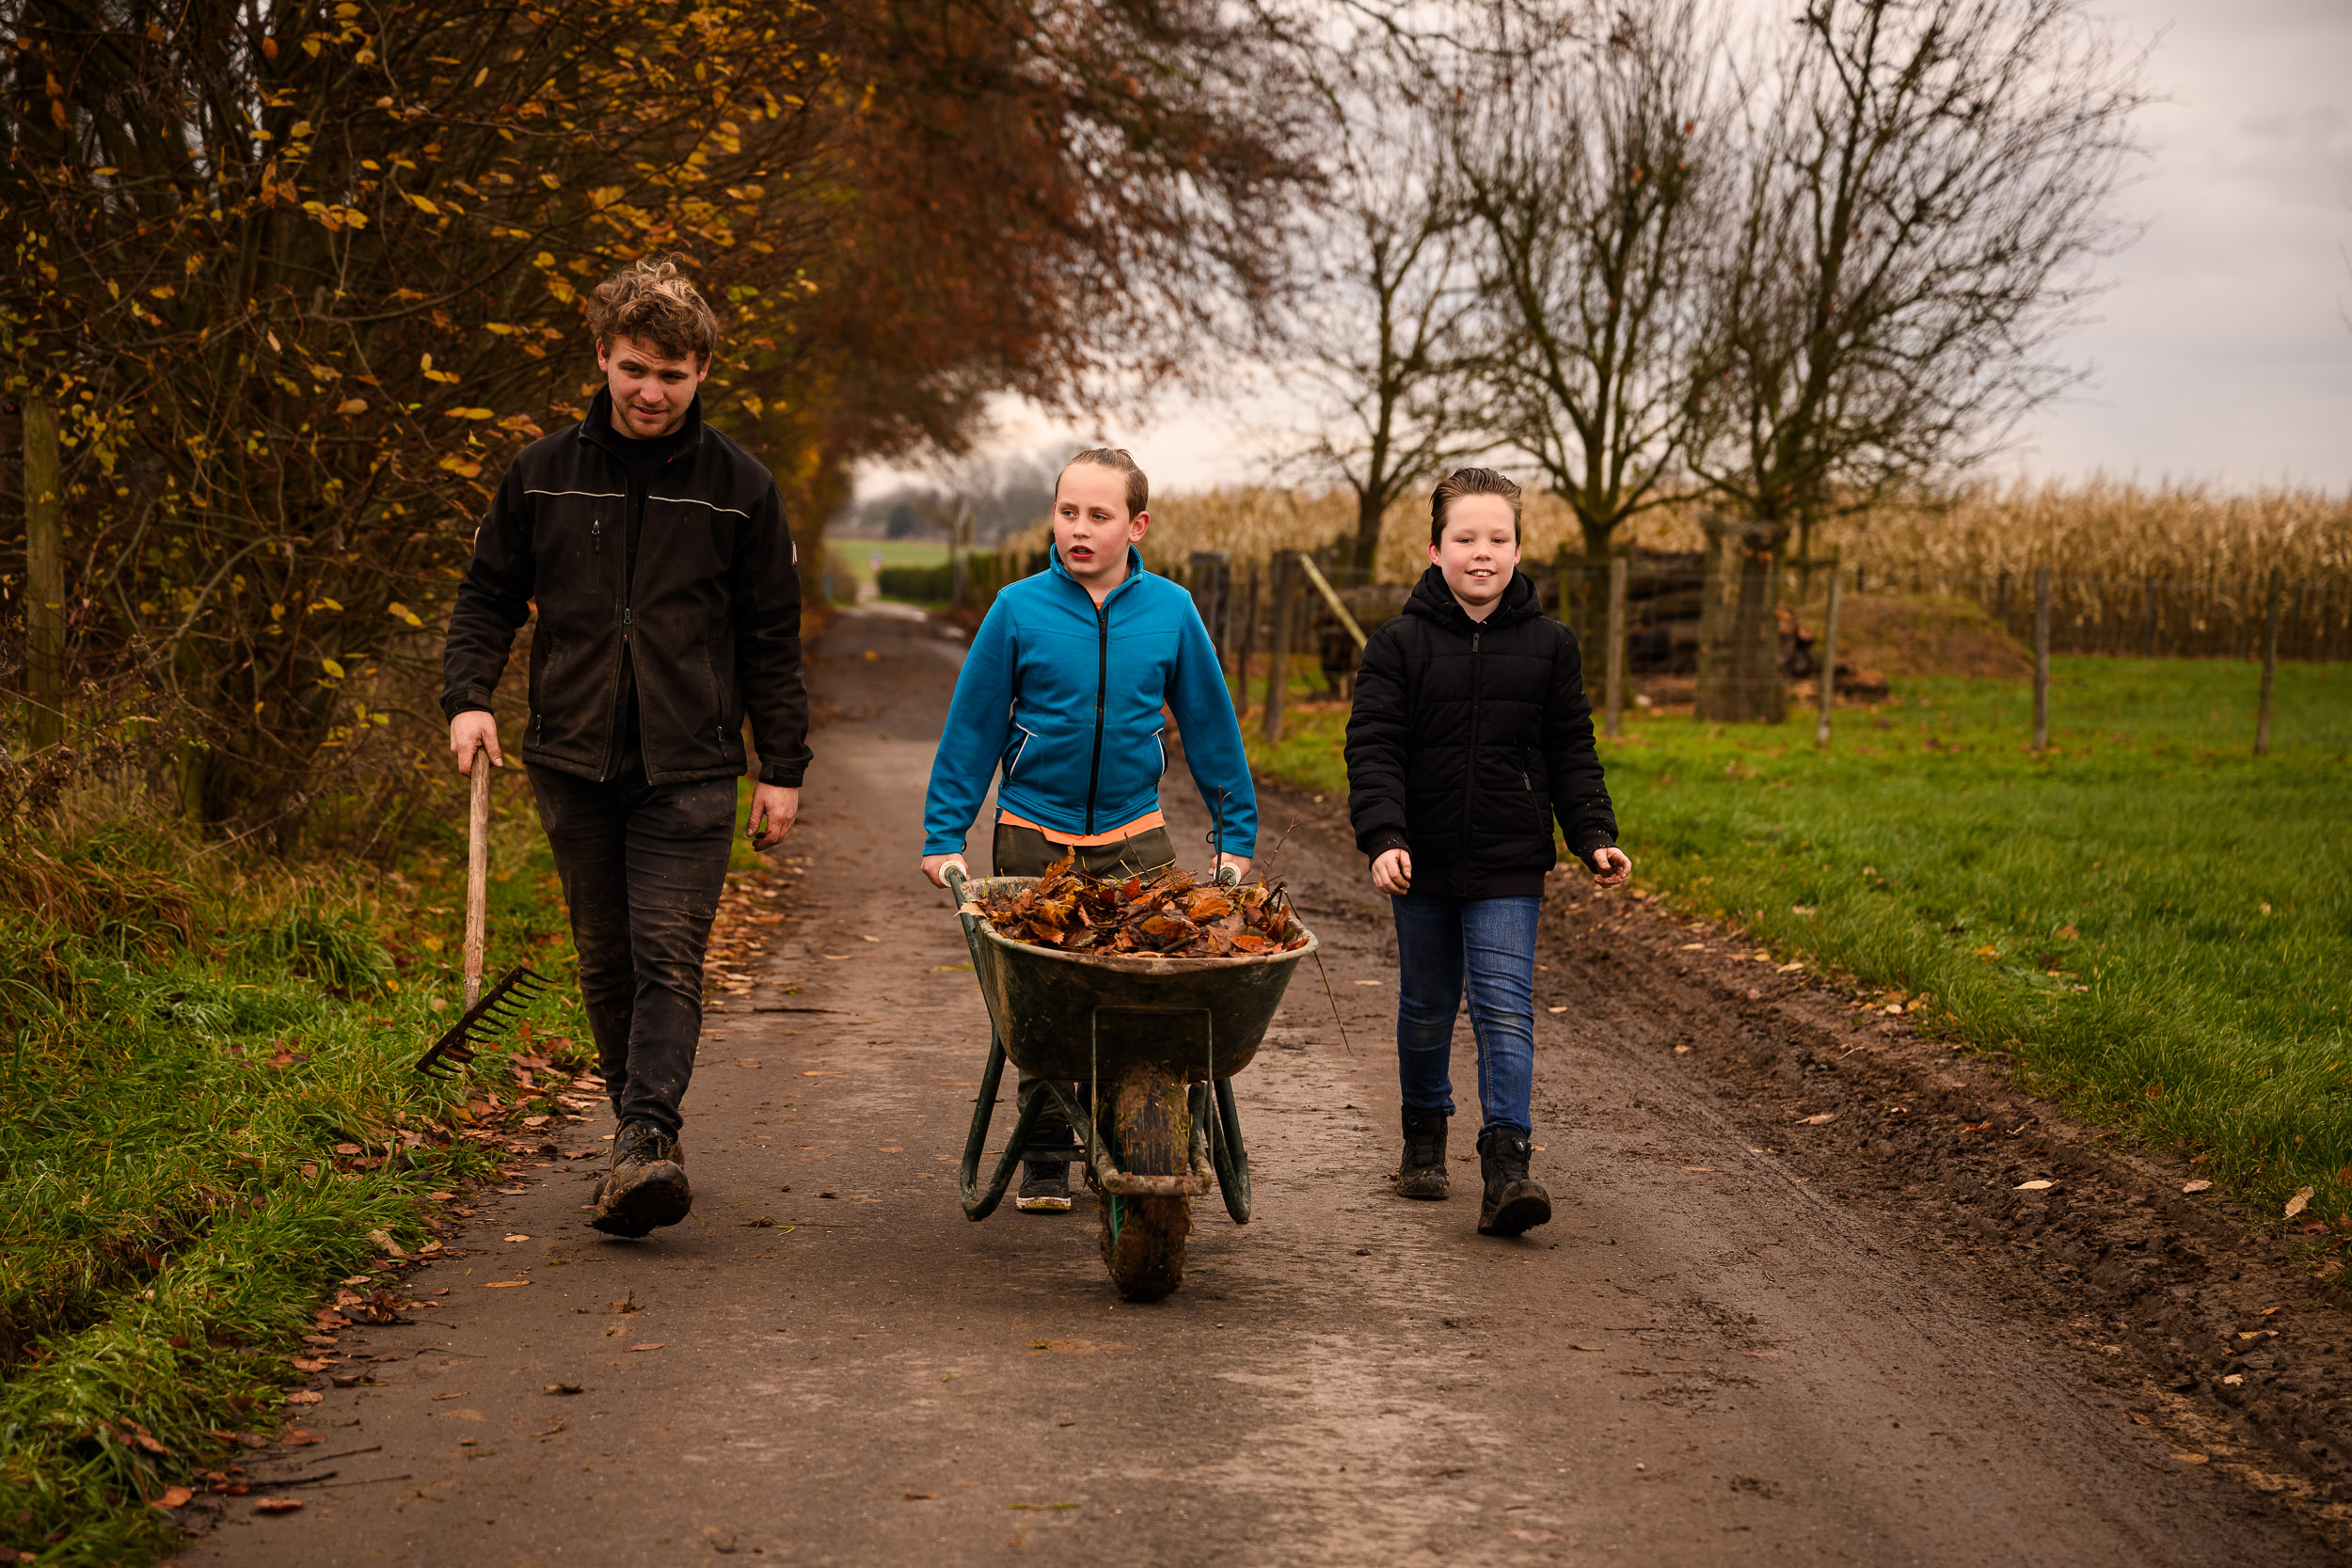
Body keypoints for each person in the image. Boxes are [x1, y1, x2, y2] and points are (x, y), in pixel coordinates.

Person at [440, 258, 809, 1239]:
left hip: (690, 768)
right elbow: (486, 595)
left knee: (666, 956)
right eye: (636, 368)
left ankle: (649, 1135)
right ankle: (632, 1142)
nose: (652, 392)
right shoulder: (542, 473)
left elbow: (772, 637)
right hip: (572, 759)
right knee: (604, 960)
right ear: (603, 356)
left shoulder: (742, 490)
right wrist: (468, 697)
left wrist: (782, 767)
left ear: (701, 376)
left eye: (674, 375)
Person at [918, 448, 1257, 1212]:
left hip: (1136, 840)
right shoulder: (1017, 608)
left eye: (1099, 516)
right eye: (1068, 511)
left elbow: (1209, 726)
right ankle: (1044, 1151)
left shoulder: (1170, 611)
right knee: (1045, 1004)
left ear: (1136, 525)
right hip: (1033, 837)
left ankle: (1155, 1122)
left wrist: (1235, 836)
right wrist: (945, 834)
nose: (1079, 528)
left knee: (1155, 993)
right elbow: (972, 729)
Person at [1343, 467, 1631, 1236]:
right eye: (1465, 538)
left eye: (1497, 539)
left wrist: (1594, 836)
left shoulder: (1551, 646)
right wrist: (1385, 838)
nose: (1482, 553)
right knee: (1428, 1006)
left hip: (1510, 860)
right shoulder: (1397, 645)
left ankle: (1509, 1168)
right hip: (1423, 860)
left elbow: (1572, 751)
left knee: (1505, 1007)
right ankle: (1423, 1142)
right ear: (1435, 549)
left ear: (1517, 547)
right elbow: (1373, 749)